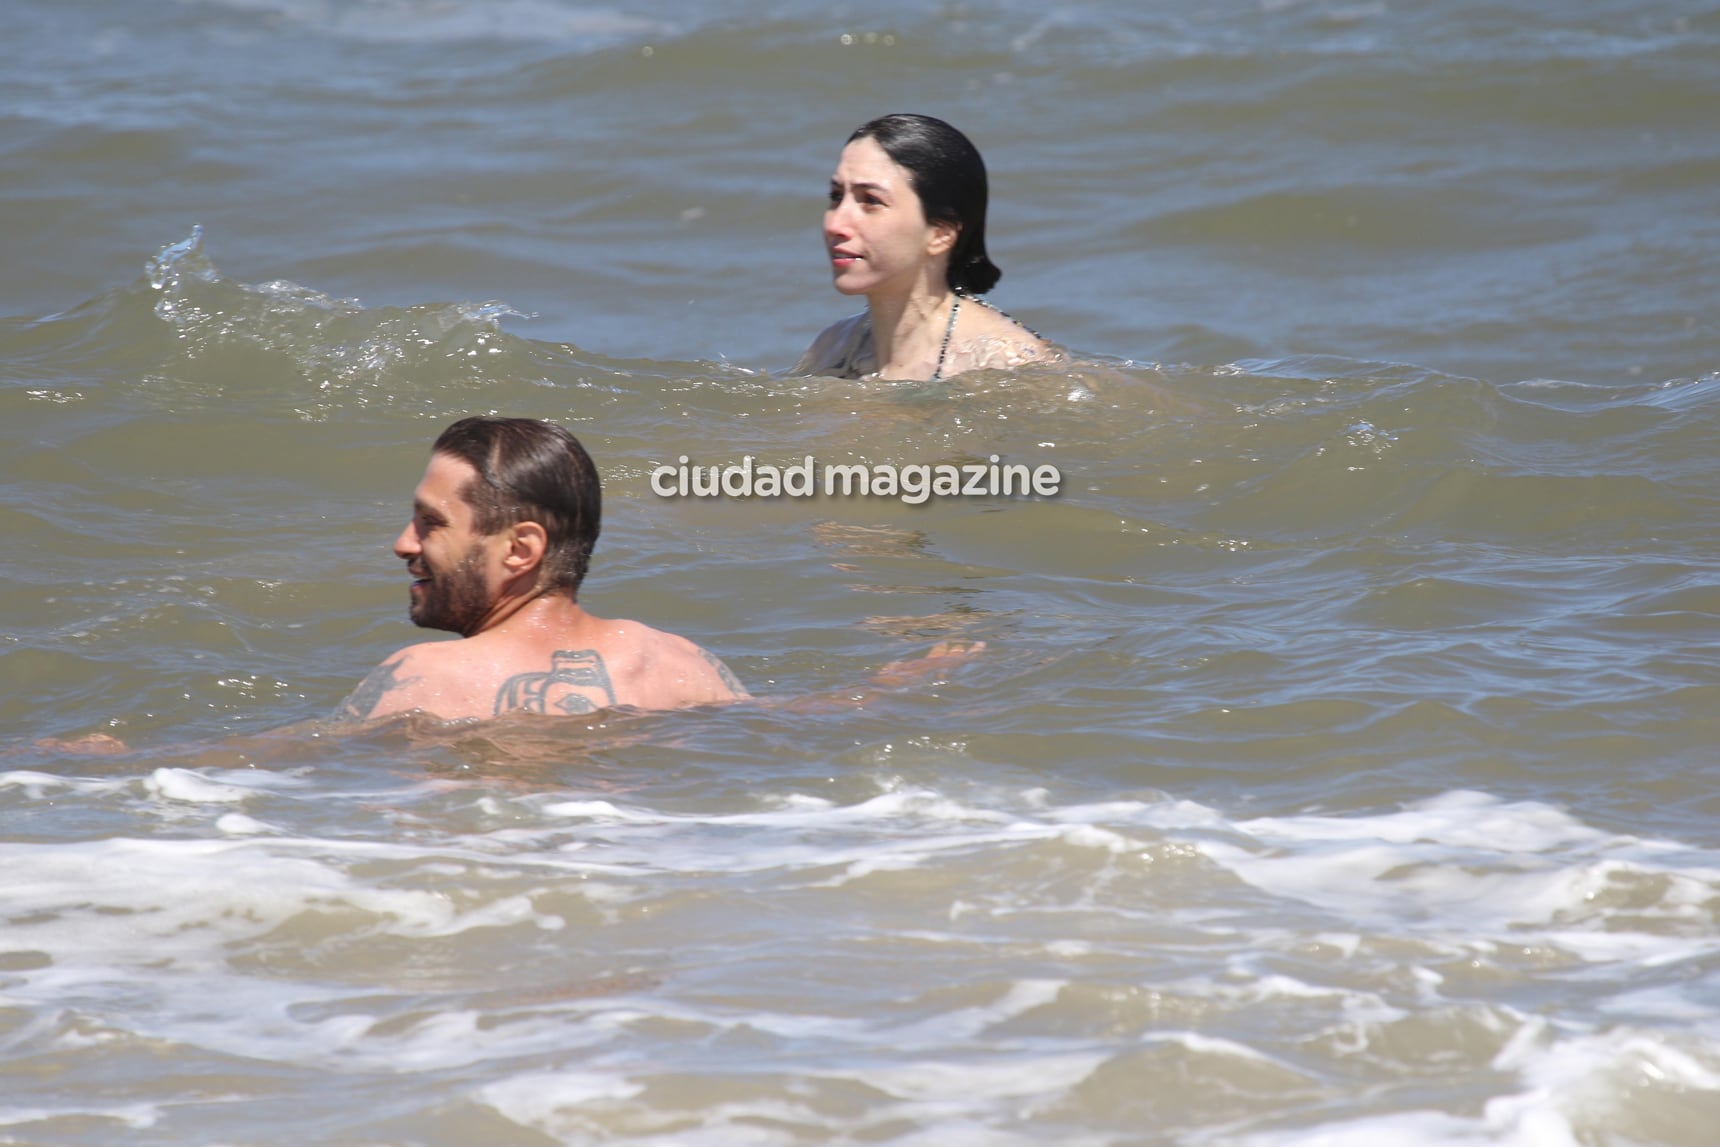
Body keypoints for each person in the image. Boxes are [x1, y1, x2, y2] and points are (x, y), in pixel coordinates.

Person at [335, 416, 748, 722]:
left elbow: (299, 776)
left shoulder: (425, 679)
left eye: (432, 523)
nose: (403, 544)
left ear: (519, 549)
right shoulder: (681, 666)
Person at [794, 113, 1051, 382]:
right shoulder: (831, 347)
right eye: (836, 196)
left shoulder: (1006, 363)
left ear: (940, 233)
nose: (836, 223)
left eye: (871, 200)